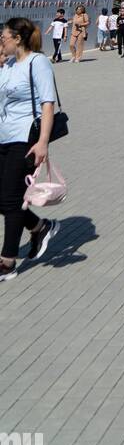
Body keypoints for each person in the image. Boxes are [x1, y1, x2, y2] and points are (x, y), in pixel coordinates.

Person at [0, 17, 59, 281]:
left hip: (25, 139)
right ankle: (40, 226)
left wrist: (43, 141)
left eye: (3, 38)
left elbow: (48, 103)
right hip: (2, 136)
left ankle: (7, 261)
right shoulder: (9, 64)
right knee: (3, 198)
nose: (1, 42)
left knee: (11, 200)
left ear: (17, 39)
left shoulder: (38, 62)